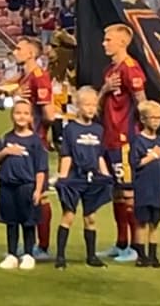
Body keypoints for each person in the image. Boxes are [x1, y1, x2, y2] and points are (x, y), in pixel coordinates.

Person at [99, 24, 148, 264]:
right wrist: (105, 89)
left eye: (108, 40)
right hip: (109, 137)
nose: (104, 43)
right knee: (117, 194)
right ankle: (121, 243)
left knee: (128, 193)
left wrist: (144, 135)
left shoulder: (131, 68)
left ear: (122, 42)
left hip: (125, 139)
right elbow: (99, 104)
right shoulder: (110, 71)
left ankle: (136, 247)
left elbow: (142, 102)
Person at [54, 87, 115, 270]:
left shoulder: (98, 129)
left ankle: (91, 256)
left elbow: (99, 156)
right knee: (69, 216)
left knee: (91, 218)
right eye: (87, 104)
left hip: (93, 179)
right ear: (78, 106)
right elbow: (67, 155)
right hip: (75, 177)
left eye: (93, 105)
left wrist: (105, 175)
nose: (90, 108)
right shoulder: (71, 129)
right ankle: (60, 256)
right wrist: (62, 178)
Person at [10, 37, 57, 260]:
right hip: (23, 141)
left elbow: (49, 114)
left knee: (40, 194)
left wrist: (39, 132)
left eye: (19, 48)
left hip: (35, 142)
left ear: (30, 53)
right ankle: (31, 243)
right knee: (24, 192)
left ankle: (43, 245)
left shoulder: (39, 77)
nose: (14, 51)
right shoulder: (25, 76)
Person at [0, 100, 48, 271]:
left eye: (25, 113)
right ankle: (11, 254)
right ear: (12, 115)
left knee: (28, 222)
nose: (21, 116)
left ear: (31, 117)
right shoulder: (6, 138)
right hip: (7, 186)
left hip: (27, 186)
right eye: (18, 113)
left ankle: (28, 254)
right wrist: (5, 152)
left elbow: (41, 169)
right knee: (11, 221)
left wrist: (38, 190)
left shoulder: (35, 141)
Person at [130, 100, 160, 268]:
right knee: (142, 223)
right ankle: (141, 255)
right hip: (143, 188)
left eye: (159, 118)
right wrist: (151, 156)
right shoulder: (138, 141)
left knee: (155, 223)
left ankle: (153, 255)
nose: (156, 121)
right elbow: (135, 163)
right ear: (143, 119)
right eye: (153, 118)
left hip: (157, 188)